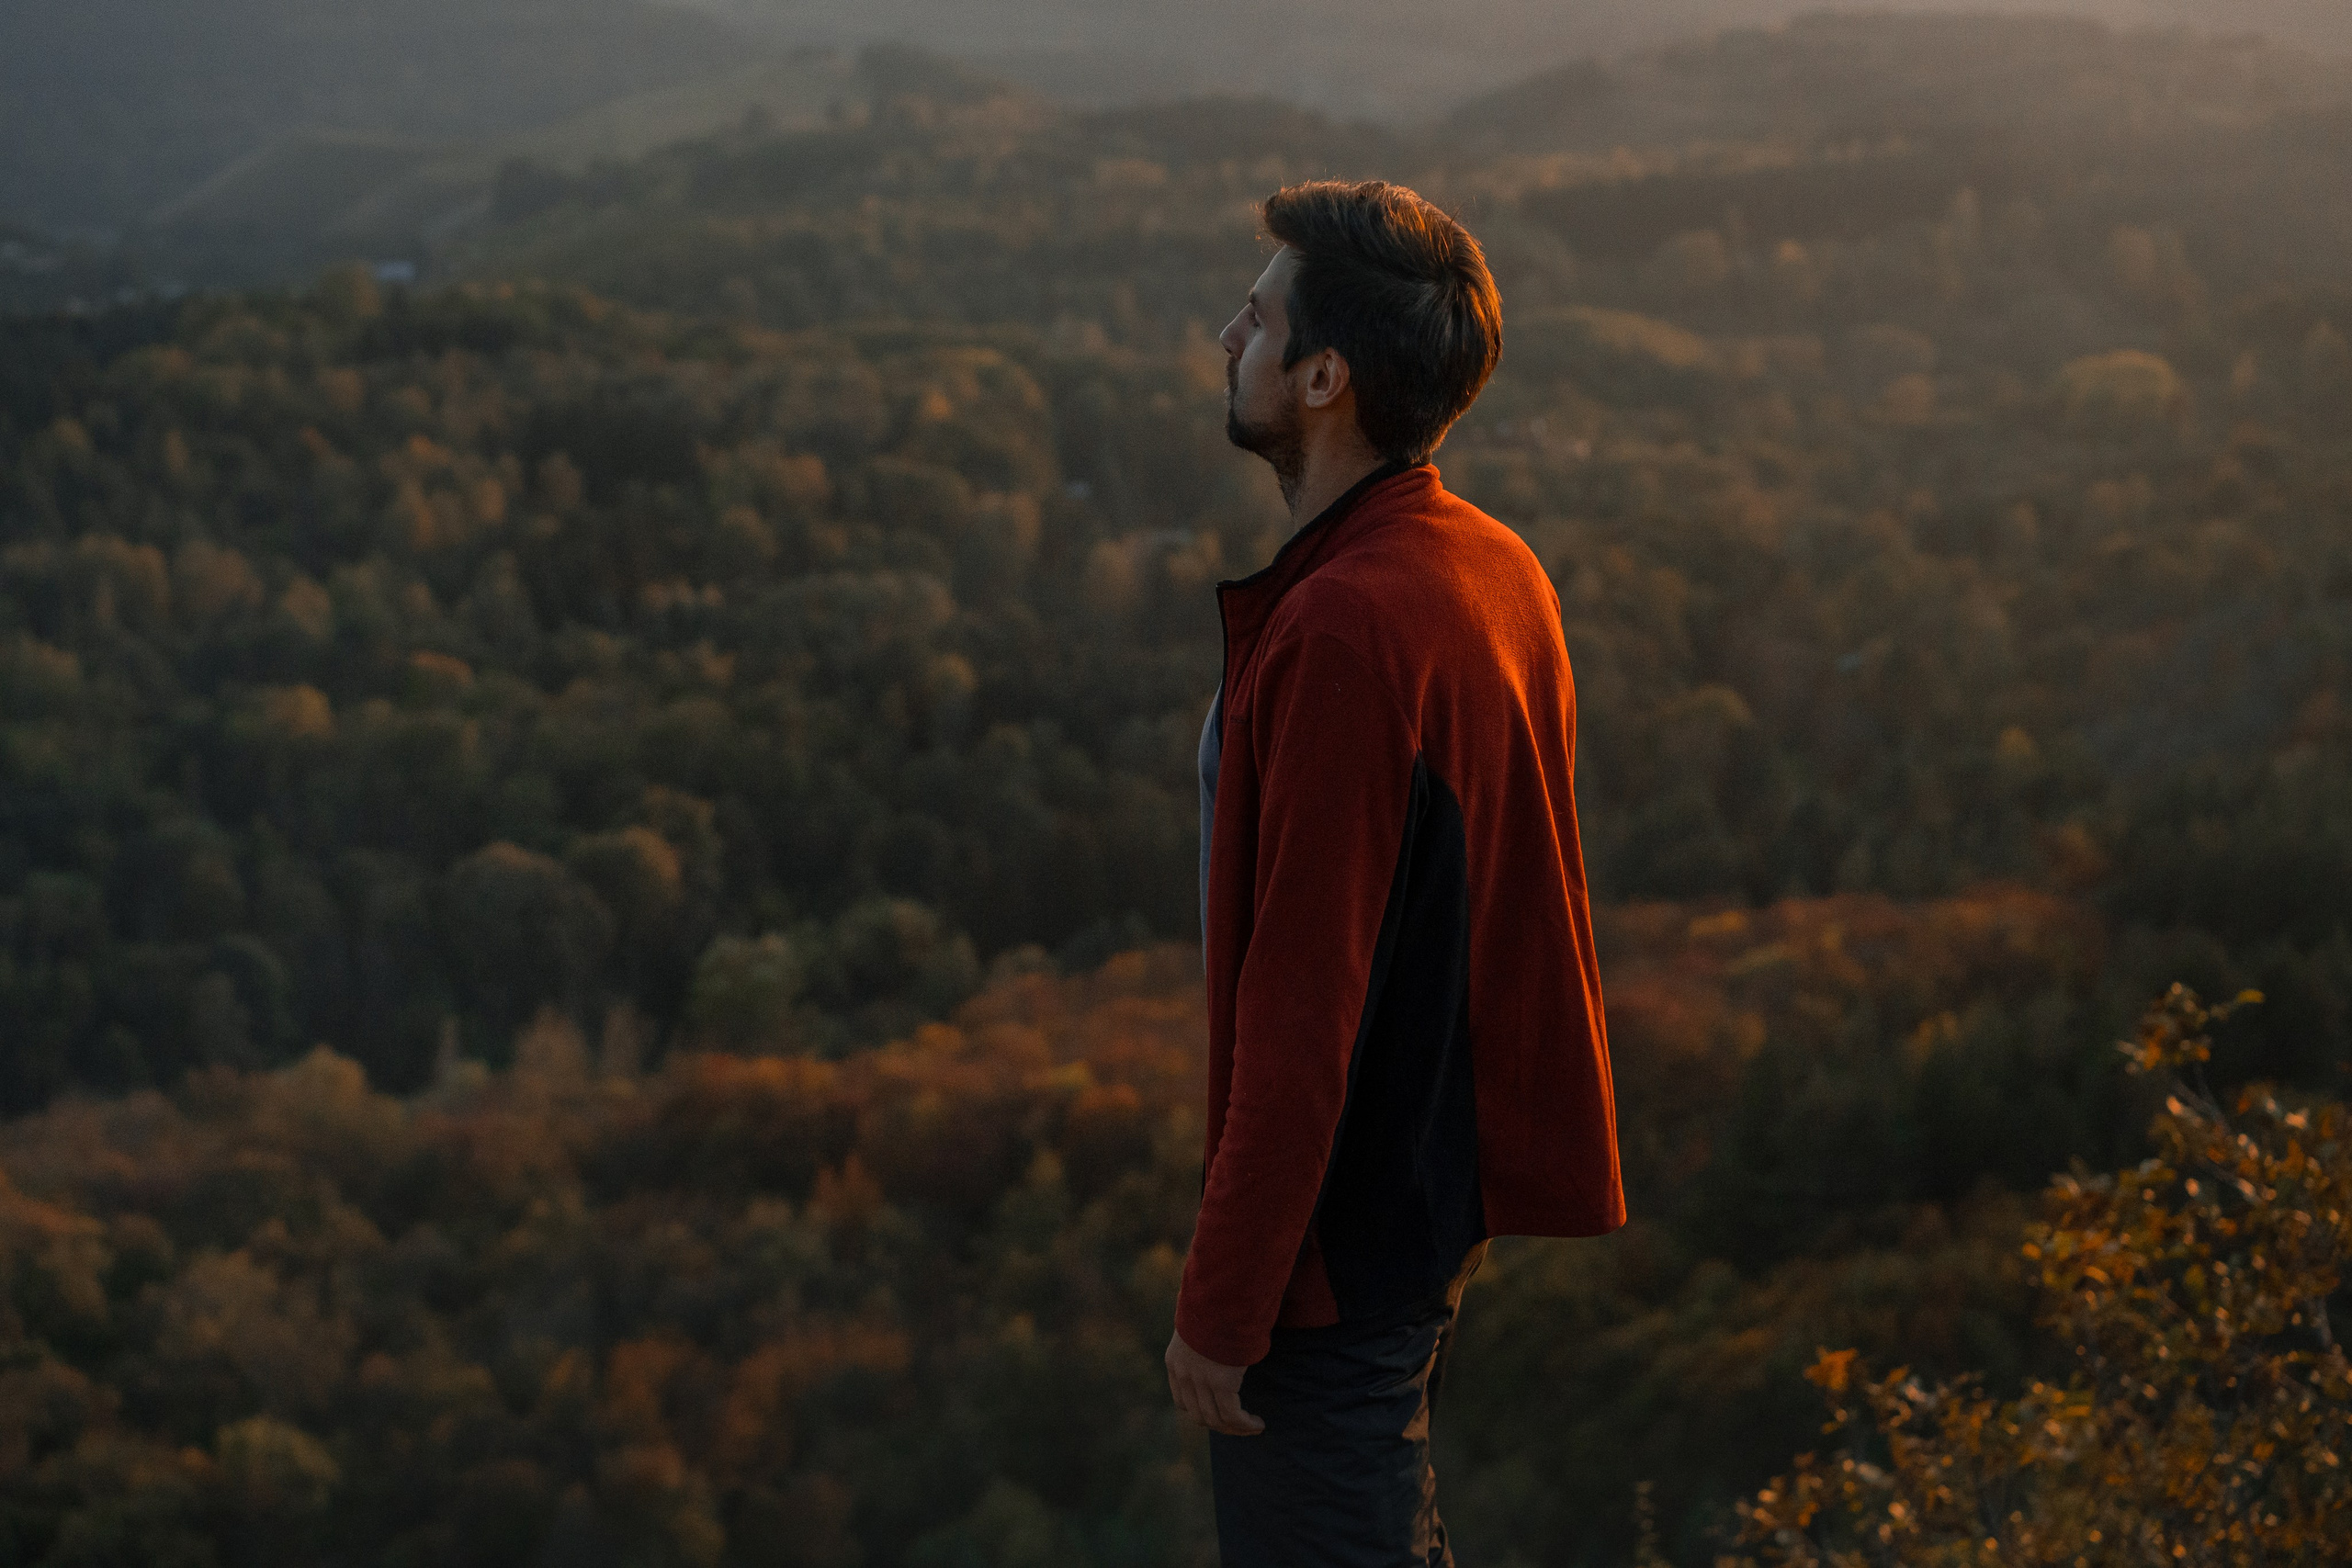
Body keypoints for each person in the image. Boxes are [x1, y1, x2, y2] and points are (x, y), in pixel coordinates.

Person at [1166, 179, 1624, 1565]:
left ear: (1325, 379)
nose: (1227, 335)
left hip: (1334, 1250)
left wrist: (1223, 1306)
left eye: (1257, 320)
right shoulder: (1492, 568)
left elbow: (1303, 1020)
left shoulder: (1347, 632)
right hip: (1425, 1201)